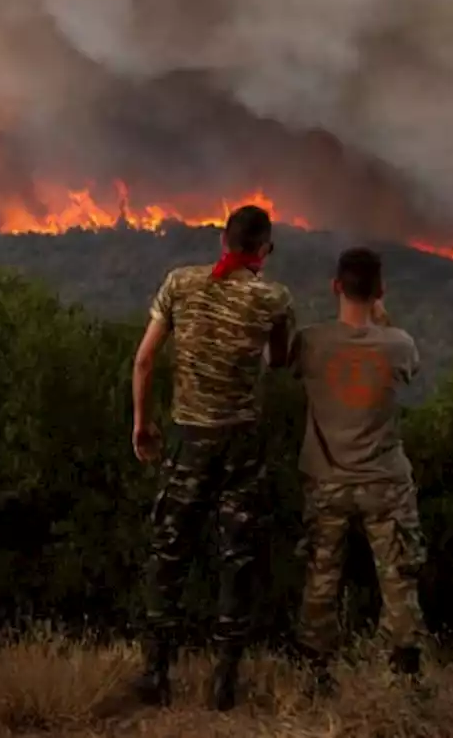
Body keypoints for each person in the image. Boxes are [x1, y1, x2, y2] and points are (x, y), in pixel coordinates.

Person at [130, 204, 295, 711]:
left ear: (223, 241)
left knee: (169, 556)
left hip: (188, 439)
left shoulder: (179, 283)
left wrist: (142, 422)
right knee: (236, 560)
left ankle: (156, 675)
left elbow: (144, 359)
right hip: (241, 444)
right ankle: (224, 681)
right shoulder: (274, 297)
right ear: (263, 249)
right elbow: (281, 360)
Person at [288, 246, 427, 696]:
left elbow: (283, 362)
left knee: (321, 576)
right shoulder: (399, 343)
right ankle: (405, 675)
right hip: (385, 483)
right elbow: (407, 367)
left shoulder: (310, 342)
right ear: (380, 291)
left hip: (327, 481)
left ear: (335, 286)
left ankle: (315, 673)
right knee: (398, 577)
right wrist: (381, 320)